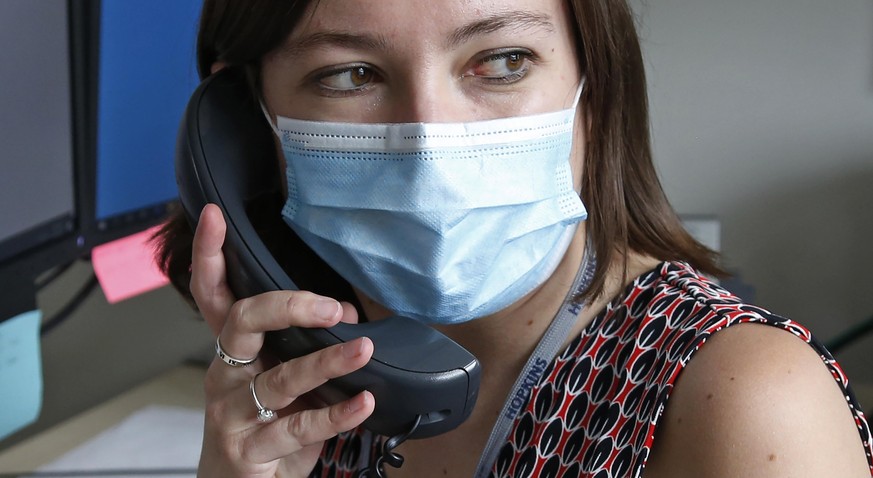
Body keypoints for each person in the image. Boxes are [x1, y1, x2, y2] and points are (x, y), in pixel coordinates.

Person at [155, 0, 873, 476]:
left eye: (501, 61)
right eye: (350, 74)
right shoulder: (289, 388)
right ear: (246, 127)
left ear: (593, 88)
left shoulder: (749, 401)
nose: (431, 141)